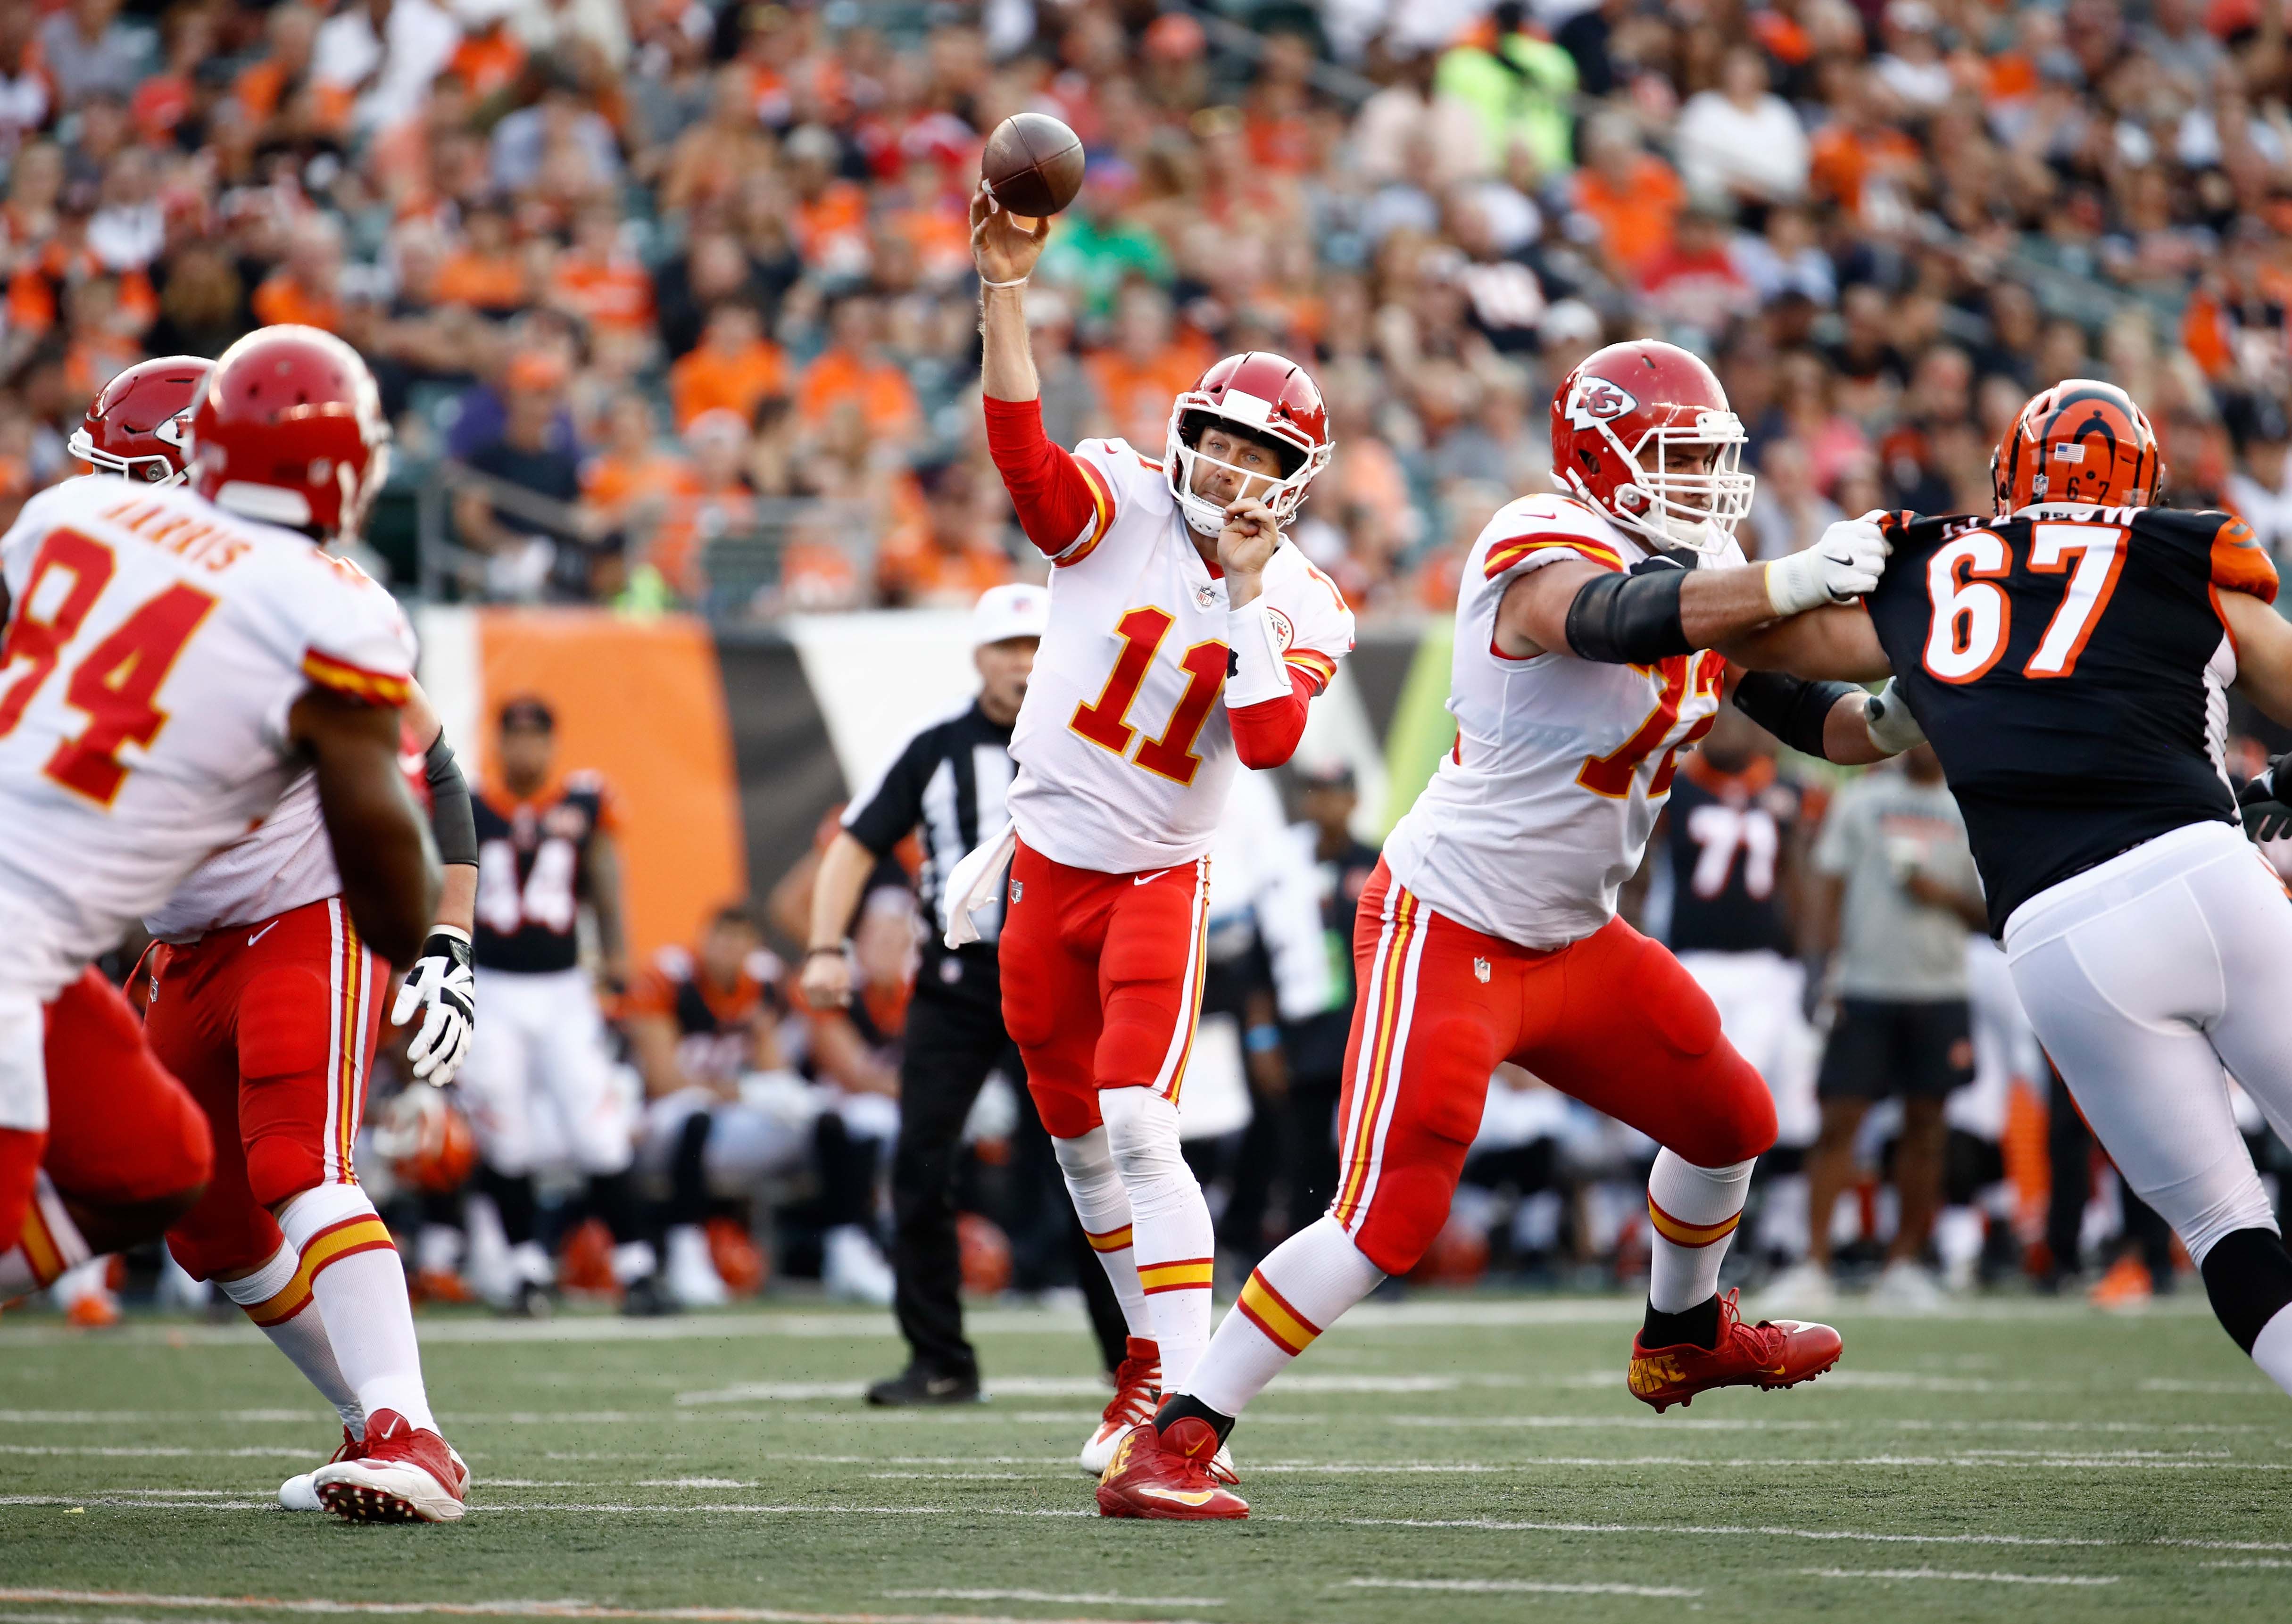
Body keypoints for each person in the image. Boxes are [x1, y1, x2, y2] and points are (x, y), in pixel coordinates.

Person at [1102, 339, 1908, 1518]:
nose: (1702, 482)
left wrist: (1912, 697)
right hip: (1450, 926)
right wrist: (1791, 580)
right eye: (1677, 457)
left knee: (1729, 1118)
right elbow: (1603, 618)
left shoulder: (1714, 565)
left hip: (1573, 942)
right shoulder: (1537, 537)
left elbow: (1813, 711)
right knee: (1389, 1218)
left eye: (1708, 457)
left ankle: (1680, 1332)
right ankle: (1173, 1439)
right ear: (1602, 457)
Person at [1732, 377, 2292, 1400]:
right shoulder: (2181, 556)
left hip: (2062, 932)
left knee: (2223, 1225)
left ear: (2008, 479)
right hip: (2207, 877)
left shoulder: (1942, 566)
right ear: (2146, 482)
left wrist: (1742, 599)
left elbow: (1775, 655)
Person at [0, 326, 456, 1519]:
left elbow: (431, 769)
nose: (99, 483)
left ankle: (400, 1427)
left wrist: (440, 944)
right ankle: (381, 1420)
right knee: (186, 1203)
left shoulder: (60, 527)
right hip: (106, 935)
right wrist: (423, 936)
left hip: (271, 912)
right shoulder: (319, 604)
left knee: (228, 1162)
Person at [961, 186, 1356, 1487]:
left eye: (1260, 456)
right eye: (1219, 441)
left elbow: (1267, 741)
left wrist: (1242, 590)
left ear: (1294, 483)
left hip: (1152, 877)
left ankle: (1183, 1405)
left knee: (1140, 1120)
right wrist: (1004, 289)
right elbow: (1019, 451)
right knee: (1072, 1134)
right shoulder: (1121, 502)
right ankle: (1144, 1350)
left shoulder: (1301, 596)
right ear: (1183, 433)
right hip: (1044, 866)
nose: (1232, 473)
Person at [807, 585, 1126, 1405]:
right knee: (919, 1162)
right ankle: (940, 1357)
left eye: (1035, 645)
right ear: (978, 658)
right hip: (956, 984)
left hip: (1059, 981)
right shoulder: (936, 747)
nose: (1023, 662)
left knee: (1089, 1169)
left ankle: (1132, 1357)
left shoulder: (1095, 731)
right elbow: (853, 844)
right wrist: (824, 945)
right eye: (1006, 648)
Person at [1763, 744, 1982, 1310]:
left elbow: (1993, 909)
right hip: (1864, 986)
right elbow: (1827, 888)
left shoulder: (1969, 804)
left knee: (1928, 1127)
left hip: (1939, 987)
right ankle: (1815, 1263)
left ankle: (1904, 1264)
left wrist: (1942, 895)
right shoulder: (1862, 801)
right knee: (1839, 1121)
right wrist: (1819, 970)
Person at [457, 695, 656, 1313]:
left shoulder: (583, 803)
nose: (525, 749)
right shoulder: (464, 806)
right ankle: (525, 1270)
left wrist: (619, 959)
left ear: (551, 743)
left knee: (600, 1129)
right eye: (514, 737)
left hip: (565, 986)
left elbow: (605, 878)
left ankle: (638, 1269)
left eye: (536, 737)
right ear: (497, 743)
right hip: (491, 985)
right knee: (504, 1132)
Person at [626, 902, 882, 1308]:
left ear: (752, 947)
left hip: (725, 1119)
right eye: (721, 941)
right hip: (657, 1123)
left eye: (738, 943)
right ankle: (685, 1248)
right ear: (704, 939)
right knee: (693, 1114)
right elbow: (663, 1081)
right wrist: (744, 1092)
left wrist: (763, 1048)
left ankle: (847, 1245)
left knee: (826, 1121)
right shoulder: (670, 977)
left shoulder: (763, 983)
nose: (728, 953)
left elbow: (776, 1073)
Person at [1657, 702, 1820, 1273]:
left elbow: (1801, 881)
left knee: (1784, 1102)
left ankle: (1777, 1234)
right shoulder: (1675, 787)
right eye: (1720, 717)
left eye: (1741, 716)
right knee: (1702, 1103)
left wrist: (1813, 967)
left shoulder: (1785, 789)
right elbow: (1636, 876)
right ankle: (1691, 1236)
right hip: (1694, 963)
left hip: (1770, 969)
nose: (1731, 726)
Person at [1280, 764, 1380, 1236]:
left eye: (1334, 795)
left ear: (1354, 801)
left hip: (1363, 1030)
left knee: (1366, 1146)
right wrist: (1263, 1036)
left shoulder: (1377, 863)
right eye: (1316, 795)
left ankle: (1369, 1246)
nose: (1324, 805)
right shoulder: (1285, 865)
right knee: (1303, 1153)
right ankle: (1300, 1249)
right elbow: (1262, 954)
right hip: (1303, 1036)